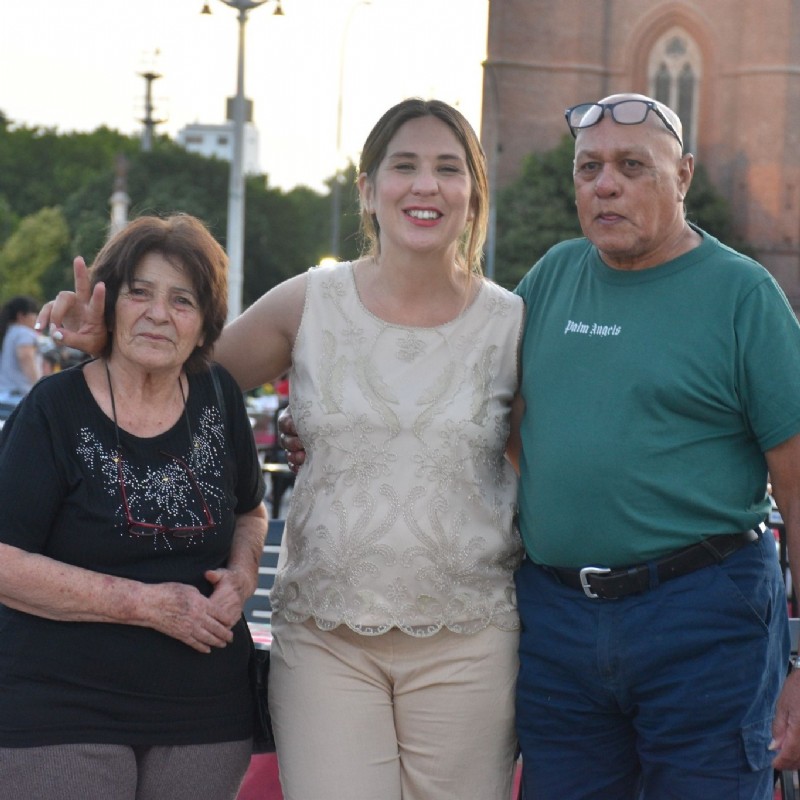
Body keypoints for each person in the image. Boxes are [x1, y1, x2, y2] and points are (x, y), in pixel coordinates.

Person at [278, 93, 800, 798]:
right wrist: (330, 424)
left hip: (701, 617)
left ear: (682, 175)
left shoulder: (743, 296)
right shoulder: (554, 277)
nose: (604, 184)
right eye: (589, 168)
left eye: (631, 166)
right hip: (559, 624)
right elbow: (481, 407)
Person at [37, 99, 525, 800]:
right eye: (405, 166)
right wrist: (107, 339)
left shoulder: (511, 323)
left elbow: (542, 462)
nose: (426, 186)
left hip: (471, 640)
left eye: (449, 169)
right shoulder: (312, 302)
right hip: (328, 639)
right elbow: (187, 378)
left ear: (473, 192)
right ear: (367, 187)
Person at [0, 214, 268, 799]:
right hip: (61, 705)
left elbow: (251, 509)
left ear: (204, 325)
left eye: (182, 300)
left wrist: (243, 574)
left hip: (203, 712)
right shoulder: (55, 409)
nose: (157, 313)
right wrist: (146, 605)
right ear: (108, 305)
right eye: (139, 292)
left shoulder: (219, 395)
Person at [0, 295, 42, 405]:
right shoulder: (24, 332)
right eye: (34, 313)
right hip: (18, 397)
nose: (36, 318)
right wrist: (39, 387)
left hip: (4, 395)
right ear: (21, 315)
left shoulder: (7, 332)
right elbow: (25, 357)